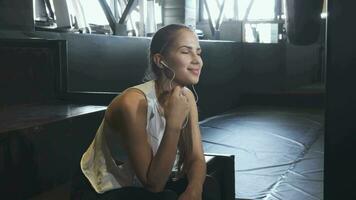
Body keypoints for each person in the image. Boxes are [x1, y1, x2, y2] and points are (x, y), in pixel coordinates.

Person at [70, 24, 221, 200]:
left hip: (148, 183)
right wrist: (173, 124)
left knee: (207, 186)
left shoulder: (185, 97)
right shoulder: (132, 103)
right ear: (160, 60)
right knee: (165, 197)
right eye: (186, 52)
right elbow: (153, 185)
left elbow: (196, 157)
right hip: (103, 189)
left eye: (198, 52)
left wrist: (194, 190)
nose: (197, 60)